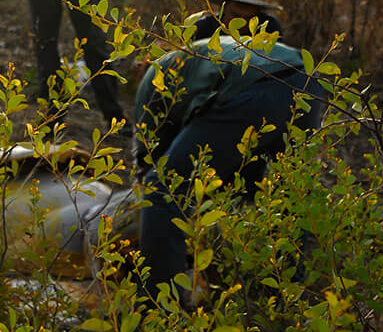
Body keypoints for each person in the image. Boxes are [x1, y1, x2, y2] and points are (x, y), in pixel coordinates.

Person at [134, 35, 323, 301]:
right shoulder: (203, 50)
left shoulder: (155, 74)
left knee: (161, 189)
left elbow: (149, 159)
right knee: (290, 189)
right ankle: (287, 295)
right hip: (307, 82)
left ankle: (160, 308)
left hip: (254, 89)